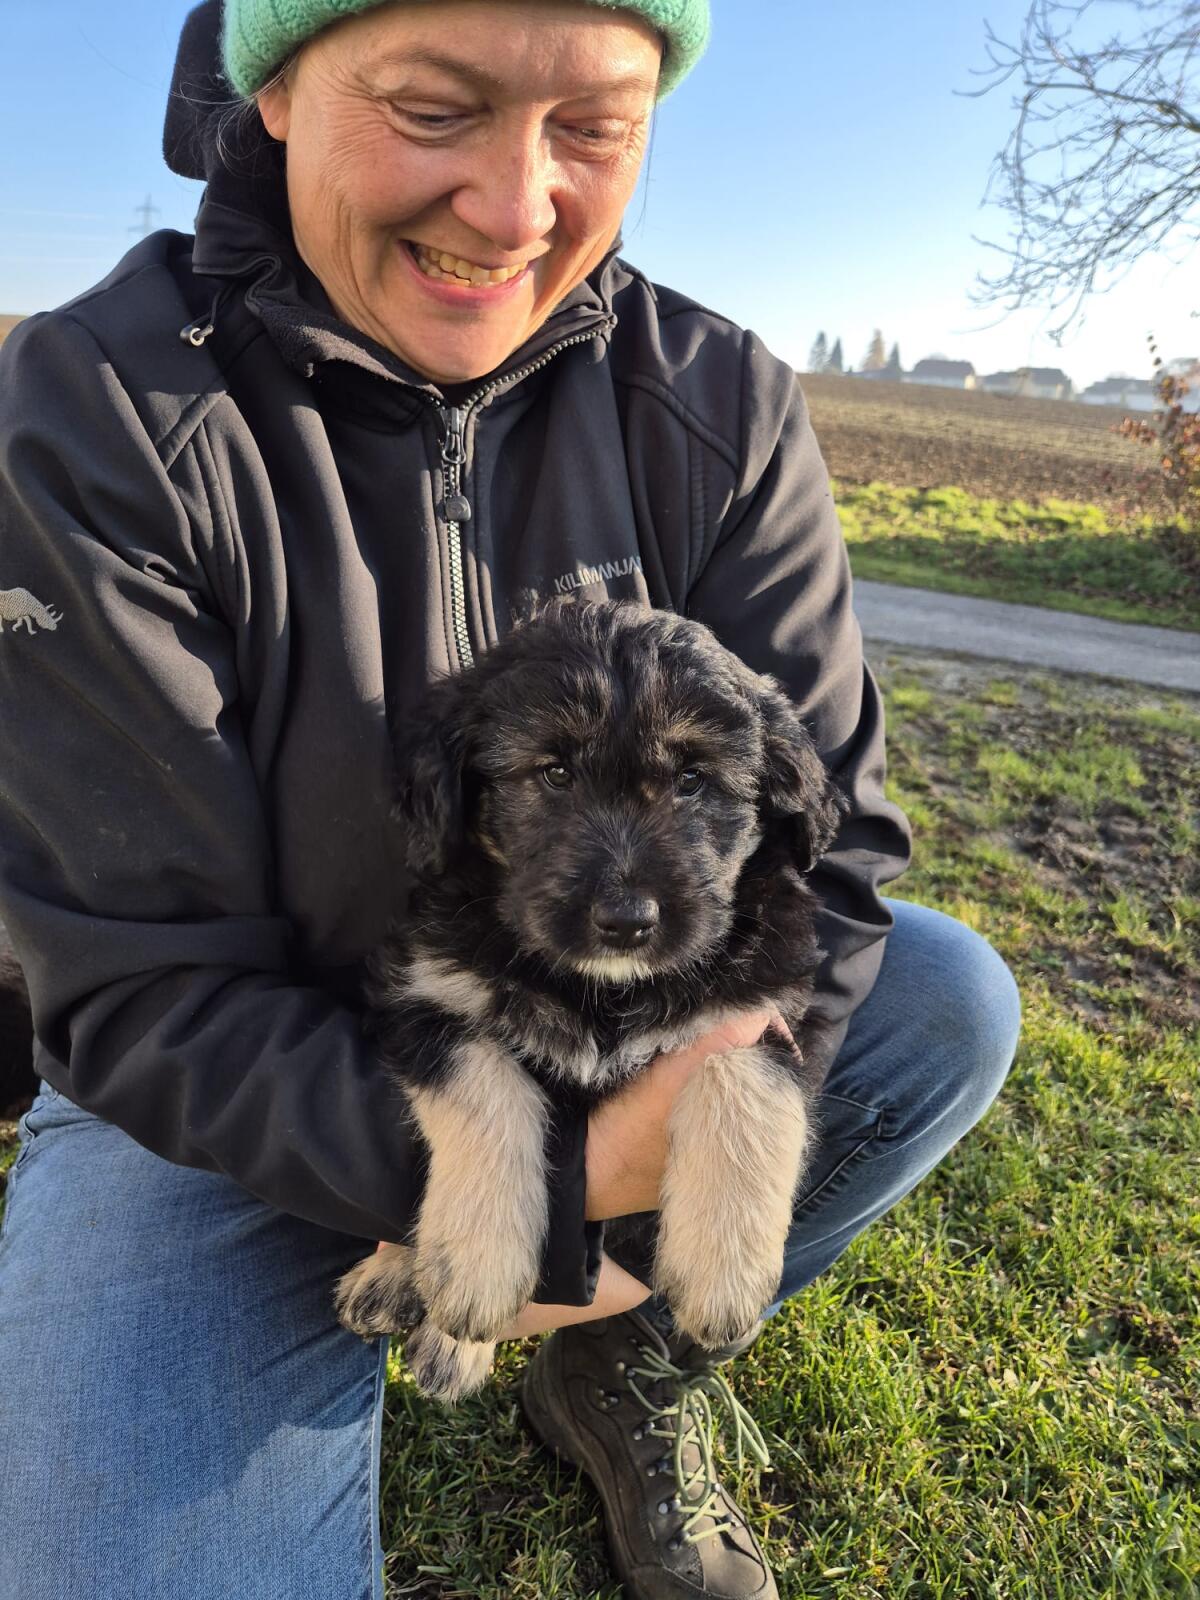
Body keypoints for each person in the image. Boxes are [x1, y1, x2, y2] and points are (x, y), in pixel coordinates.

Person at [0, 2, 1021, 1596]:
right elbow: (144, 984)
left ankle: (621, 1356)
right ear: (274, 86)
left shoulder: (719, 404)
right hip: (209, 1099)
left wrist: (671, 1149)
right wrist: (527, 1194)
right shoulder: (105, 409)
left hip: (603, 1043)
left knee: (945, 1001)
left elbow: (829, 855)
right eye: (431, 107)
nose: (514, 204)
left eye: (595, 127)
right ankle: (428, 1281)